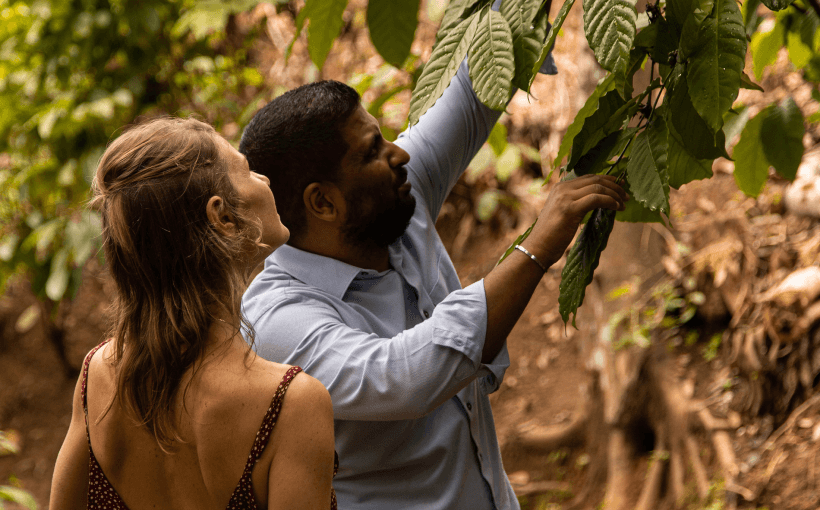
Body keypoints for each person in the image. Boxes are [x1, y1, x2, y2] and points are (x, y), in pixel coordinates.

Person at [239, 48, 627, 509]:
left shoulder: (393, 195)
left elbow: (475, 89)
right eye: (371, 152)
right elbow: (404, 376)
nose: (400, 152)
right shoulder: (277, 322)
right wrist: (536, 248)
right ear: (323, 203)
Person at [49, 117, 338, 510]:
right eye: (247, 170)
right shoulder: (291, 405)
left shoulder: (98, 377)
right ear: (221, 217)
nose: (265, 180)